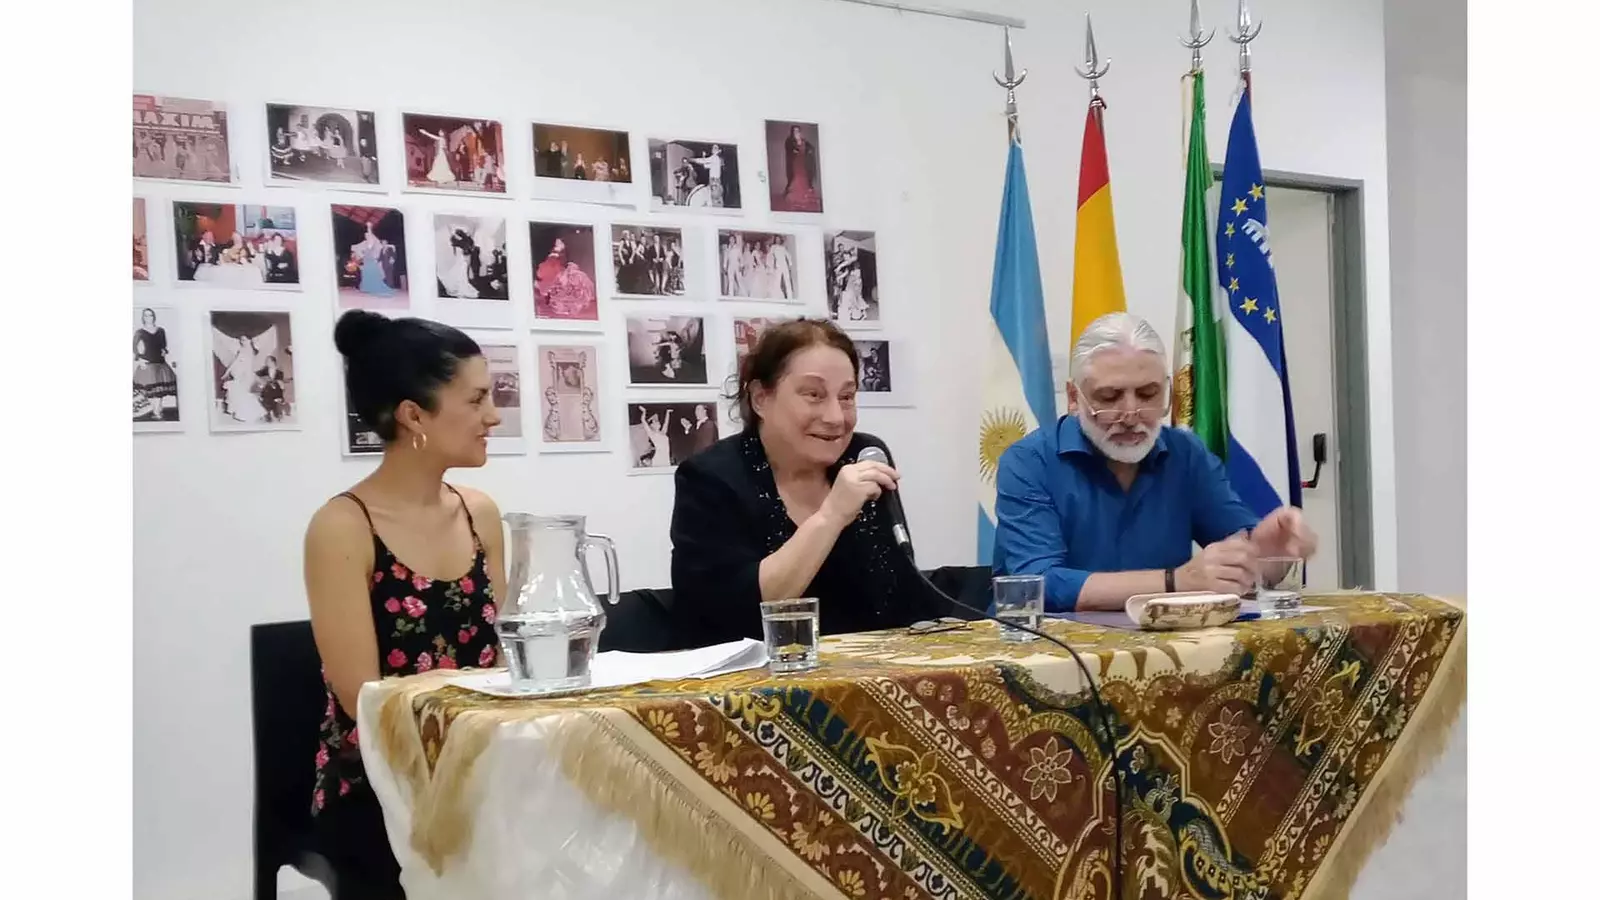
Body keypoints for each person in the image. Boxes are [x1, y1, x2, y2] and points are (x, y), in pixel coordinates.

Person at [303, 310, 507, 899]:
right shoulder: (342, 527)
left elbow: (506, 657)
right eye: (477, 400)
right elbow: (363, 699)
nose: (493, 416)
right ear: (414, 415)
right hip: (381, 783)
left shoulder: (479, 512)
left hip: (480, 761)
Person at [991, 312, 1318, 612]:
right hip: (1052, 648)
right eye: (1110, 397)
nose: (1131, 414)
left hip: (1165, 643)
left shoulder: (1185, 453)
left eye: (1148, 394)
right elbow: (1038, 586)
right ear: (1075, 398)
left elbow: (1237, 552)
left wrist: (1265, 552)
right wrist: (1177, 582)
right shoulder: (1029, 462)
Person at [670, 319, 943, 645]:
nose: (836, 418)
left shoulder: (863, 455)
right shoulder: (710, 477)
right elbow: (735, 615)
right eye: (814, 395)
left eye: (847, 396)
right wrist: (831, 515)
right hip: (757, 673)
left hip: (874, 666)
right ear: (760, 398)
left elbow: (903, 593)